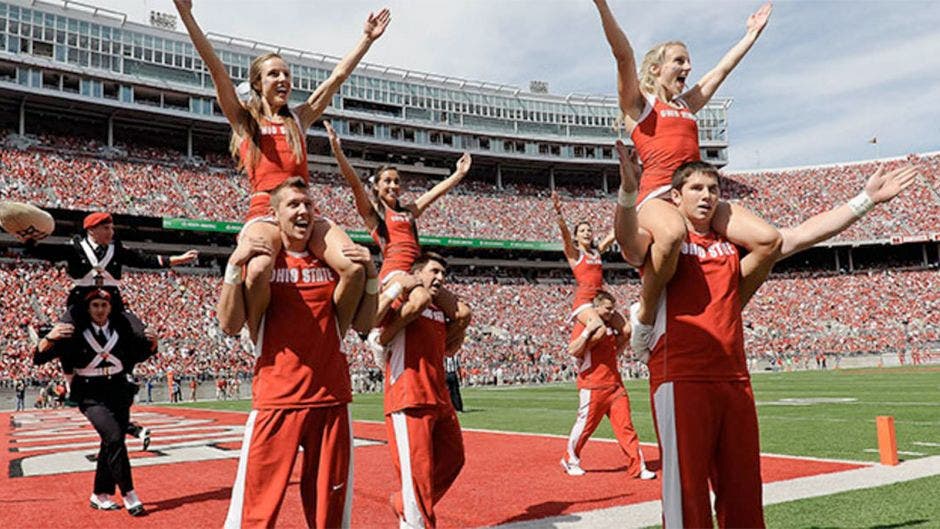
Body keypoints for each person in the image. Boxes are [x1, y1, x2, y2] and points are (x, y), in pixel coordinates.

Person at [614, 155, 917, 528]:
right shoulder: (665, 244)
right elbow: (629, 244)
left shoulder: (733, 245)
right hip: (681, 376)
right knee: (686, 495)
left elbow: (803, 234)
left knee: (743, 489)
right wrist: (629, 192)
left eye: (713, 189)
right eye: (696, 188)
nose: (706, 196)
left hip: (734, 377)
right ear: (676, 197)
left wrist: (865, 199)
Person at [175, 0, 389, 341]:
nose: (283, 78)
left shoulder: (299, 120)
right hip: (264, 212)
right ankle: (258, 334)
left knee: (353, 266)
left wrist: (366, 39)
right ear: (258, 83)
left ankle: (333, 334)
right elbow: (215, 69)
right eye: (274, 73)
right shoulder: (246, 122)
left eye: (286, 74)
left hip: (305, 210)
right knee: (258, 268)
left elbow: (337, 78)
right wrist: (187, 15)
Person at [592, 0, 782, 360]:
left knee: (768, 241)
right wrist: (601, 5)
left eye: (689, 60)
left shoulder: (686, 106)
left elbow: (720, 72)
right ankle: (644, 316)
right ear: (657, 67)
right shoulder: (639, 105)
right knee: (672, 234)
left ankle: (726, 309)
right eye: (679, 60)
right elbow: (622, 54)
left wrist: (751, 35)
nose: (688, 67)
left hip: (696, 196)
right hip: (658, 199)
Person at [218, 177, 378, 528]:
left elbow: (366, 323)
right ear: (275, 216)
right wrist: (233, 267)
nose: (303, 210)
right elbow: (230, 324)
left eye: (308, 204)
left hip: (331, 398)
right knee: (255, 510)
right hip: (277, 400)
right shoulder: (264, 264)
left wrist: (371, 273)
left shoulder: (335, 266)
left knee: (329, 513)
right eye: (293, 205)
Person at [325, 122, 472, 355]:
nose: (393, 185)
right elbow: (354, 184)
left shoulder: (408, 212)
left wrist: (459, 174)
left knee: (463, 314)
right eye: (387, 181)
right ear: (377, 187)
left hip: (418, 271)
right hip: (395, 272)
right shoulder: (375, 216)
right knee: (421, 299)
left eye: (397, 181)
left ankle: (436, 353)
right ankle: (380, 341)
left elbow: (434, 194)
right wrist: (338, 153)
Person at [33, 289, 158, 516]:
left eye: (104, 305)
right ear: (88, 309)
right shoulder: (75, 332)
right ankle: (129, 494)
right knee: (113, 437)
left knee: (109, 443)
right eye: (95, 306)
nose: (100, 310)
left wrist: (153, 342)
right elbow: (39, 357)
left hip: (119, 391)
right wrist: (50, 337)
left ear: (110, 308)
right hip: (90, 394)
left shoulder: (121, 328)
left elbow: (140, 353)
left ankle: (99, 494)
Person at [377, 252, 465, 529]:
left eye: (443, 274)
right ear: (417, 273)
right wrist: (399, 286)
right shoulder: (403, 301)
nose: (440, 278)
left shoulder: (440, 310)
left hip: (439, 396)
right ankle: (417, 522)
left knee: (453, 460)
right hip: (409, 394)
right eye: (434, 272)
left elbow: (453, 340)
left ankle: (404, 504)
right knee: (417, 475)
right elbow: (371, 321)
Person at [23, 211, 197, 336]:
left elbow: (144, 260)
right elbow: (45, 252)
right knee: (62, 336)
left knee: (141, 335)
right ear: (91, 230)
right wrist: (27, 240)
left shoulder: (117, 249)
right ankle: (46, 339)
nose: (111, 232)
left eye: (111, 228)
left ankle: (126, 373)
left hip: (112, 298)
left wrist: (178, 259)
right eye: (106, 228)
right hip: (81, 299)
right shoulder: (74, 248)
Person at [560, 290, 655, 480]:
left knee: (626, 427)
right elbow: (573, 350)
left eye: (613, 309)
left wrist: (618, 348)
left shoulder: (611, 325)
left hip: (614, 385)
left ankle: (637, 465)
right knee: (585, 428)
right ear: (595, 308)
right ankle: (570, 459)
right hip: (593, 385)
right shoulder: (585, 324)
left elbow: (624, 335)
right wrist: (589, 333)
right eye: (607, 309)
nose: (611, 313)